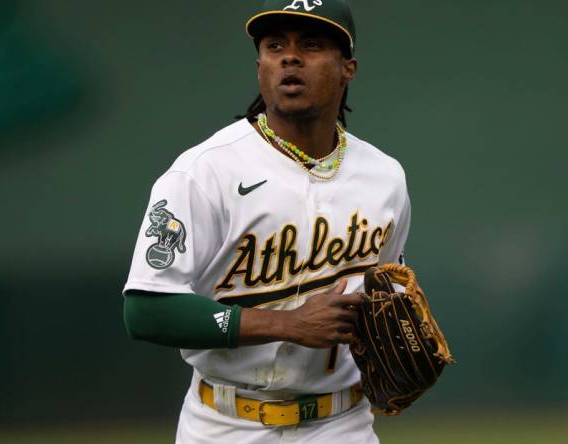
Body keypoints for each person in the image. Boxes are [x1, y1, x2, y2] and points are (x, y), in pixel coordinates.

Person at [122, 1, 410, 442]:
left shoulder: (384, 177)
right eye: (275, 46)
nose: (290, 57)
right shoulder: (204, 171)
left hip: (341, 425)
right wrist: (289, 324)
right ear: (260, 66)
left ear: (348, 68)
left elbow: (383, 295)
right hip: (223, 424)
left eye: (311, 45)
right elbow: (145, 311)